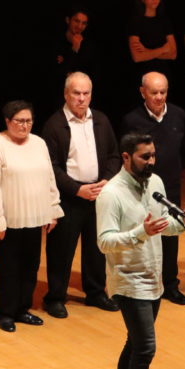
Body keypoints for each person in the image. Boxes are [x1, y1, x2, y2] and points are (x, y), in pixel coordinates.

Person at [96, 132, 185, 369]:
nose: (151, 162)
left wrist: (183, 221)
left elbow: (163, 225)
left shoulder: (155, 183)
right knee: (145, 348)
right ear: (126, 157)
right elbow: (104, 241)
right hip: (128, 280)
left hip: (152, 277)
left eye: (153, 155)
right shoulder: (111, 194)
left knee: (135, 342)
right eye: (145, 156)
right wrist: (138, 233)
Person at [41, 72, 121, 318]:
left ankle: (96, 292)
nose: (82, 99)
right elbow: (51, 166)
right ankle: (55, 296)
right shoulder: (54, 125)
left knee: (97, 247)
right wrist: (77, 189)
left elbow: (114, 156)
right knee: (61, 250)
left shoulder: (101, 120)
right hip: (69, 196)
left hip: (98, 193)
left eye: (86, 93)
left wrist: (105, 181)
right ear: (66, 94)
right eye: (76, 93)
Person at [0, 100, 64, 333]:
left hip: (35, 217)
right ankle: (6, 312)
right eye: (19, 121)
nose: (24, 125)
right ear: (7, 121)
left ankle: (22, 309)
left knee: (30, 266)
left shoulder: (39, 143)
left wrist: (52, 209)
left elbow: (49, 177)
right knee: (9, 269)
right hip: (9, 221)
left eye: (28, 121)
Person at [121, 71, 185, 305]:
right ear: (143, 92)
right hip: (141, 189)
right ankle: (142, 284)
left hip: (170, 187)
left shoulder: (179, 115)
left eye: (163, 92)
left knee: (171, 237)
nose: (159, 97)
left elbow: (184, 149)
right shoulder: (132, 120)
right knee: (144, 236)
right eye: (154, 92)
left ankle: (170, 284)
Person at [127, 0, 177, 81]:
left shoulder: (164, 20)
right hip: (143, 75)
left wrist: (147, 51)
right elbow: (137, 57)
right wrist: (163, 49)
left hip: (163, 74)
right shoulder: (135, 22)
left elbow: (173, 54)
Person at [56, 7, 100, 95]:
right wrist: (74, 49)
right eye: (76, 21)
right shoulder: (57, 42)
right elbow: (58, 74)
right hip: (59, 92)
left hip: (81, 93)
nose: (79, 26)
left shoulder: (89, 46)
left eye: (83, 23)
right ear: (68, 20)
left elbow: (91, 75)